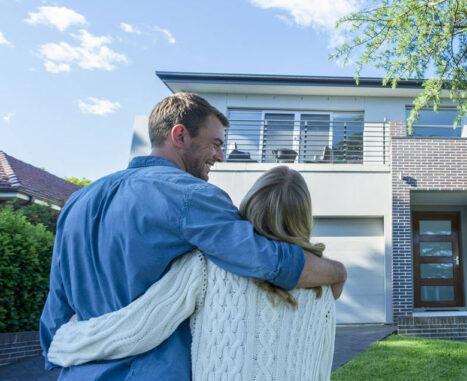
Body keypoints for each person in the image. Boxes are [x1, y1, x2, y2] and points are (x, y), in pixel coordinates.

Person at [39, 93, 346, 380]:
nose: (221, 156)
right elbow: (264, 259)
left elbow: (56, 309)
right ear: (180, 135)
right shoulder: (192, 196)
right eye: (214, 144)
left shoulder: (79, 201)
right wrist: (335, 271)